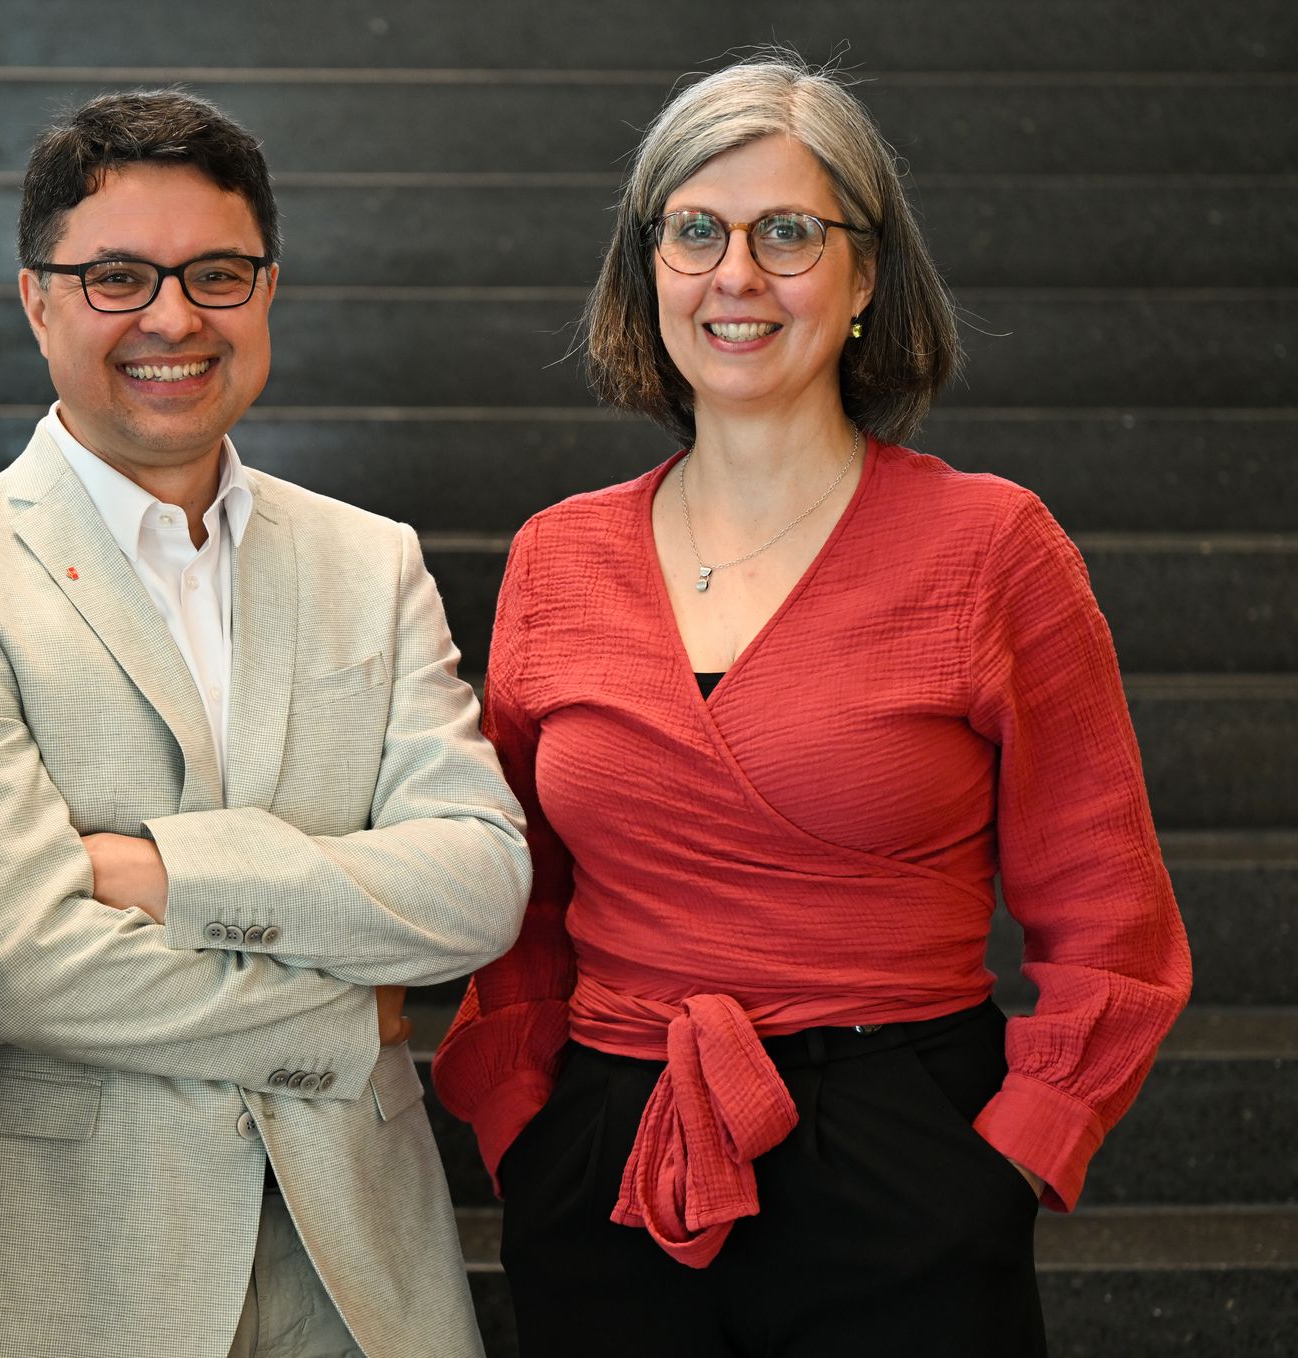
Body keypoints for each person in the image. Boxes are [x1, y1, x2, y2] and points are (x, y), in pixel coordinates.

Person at [431, 51, 1192, 1356]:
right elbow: (518, 894)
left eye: (788, 231)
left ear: (864, 276)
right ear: (648, 270)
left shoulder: (993, 548)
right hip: (613, 1162)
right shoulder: (559, 554)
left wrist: (1006, 1160)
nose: (736, 273)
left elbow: (1111, 919)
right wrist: (525, 1124)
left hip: (903, 1154)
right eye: (695, 231)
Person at [0, 89, 530, 1358]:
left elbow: (480, 884)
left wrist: (163, 872)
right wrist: (347, 1014)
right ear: (34, 298)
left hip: (360, 1277)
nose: (171, 317)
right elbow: (20, 962)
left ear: (267, 289)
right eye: (115, 276)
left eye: (215, 273)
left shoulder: (366, 561)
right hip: (81, 1277)